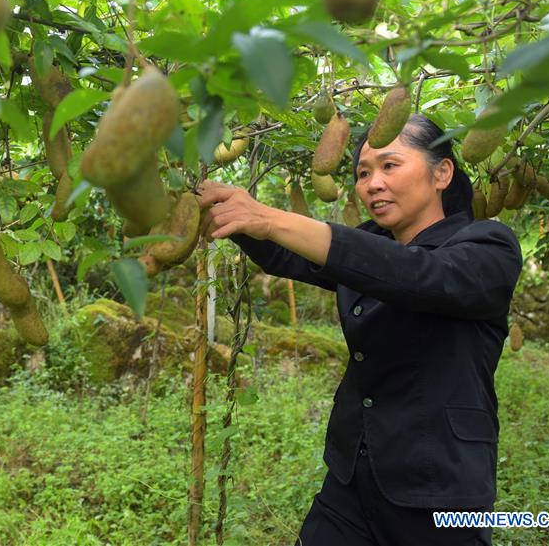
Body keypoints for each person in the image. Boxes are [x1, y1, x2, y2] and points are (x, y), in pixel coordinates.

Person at [196, 114, 523, 546]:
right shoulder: (371, 244)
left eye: (389, 166)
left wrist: (270, 217)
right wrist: (230, 215)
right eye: (363, 173)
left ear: (442, 172)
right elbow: (292, 258)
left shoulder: (488, 247)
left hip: (441, 486)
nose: (372, 183)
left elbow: (417, 275)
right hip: (350, 479)